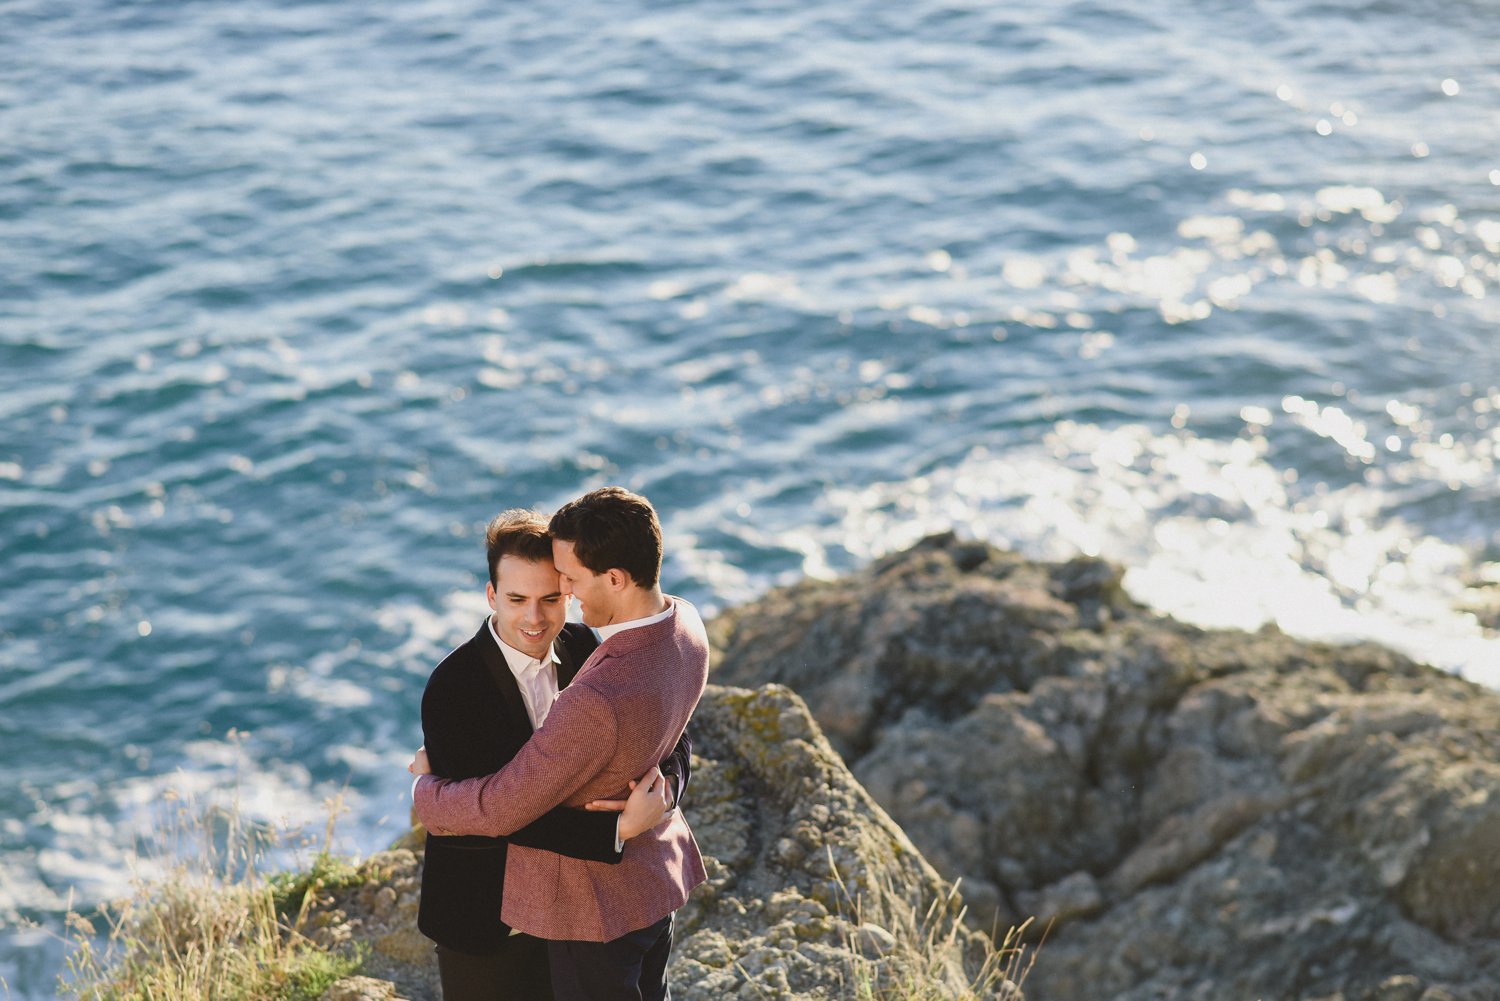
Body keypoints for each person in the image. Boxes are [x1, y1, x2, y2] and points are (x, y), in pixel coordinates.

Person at [410, 486, 709, 1001]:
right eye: (517, 599)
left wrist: (659, 799)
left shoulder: (585, 647)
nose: (536, 617)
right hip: (487, 910)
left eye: (555, 595)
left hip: (571, 907)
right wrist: (616, 829)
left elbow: (663, 731)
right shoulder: (453, 688)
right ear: (491, 596)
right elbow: (509, 814)